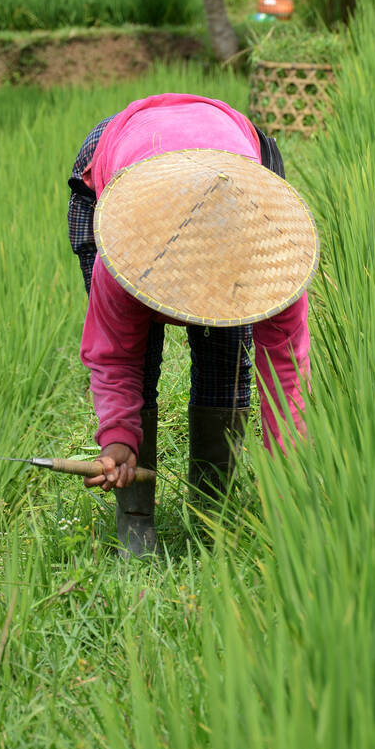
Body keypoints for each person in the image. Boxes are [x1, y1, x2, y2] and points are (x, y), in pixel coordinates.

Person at [67, 93, 319, 556]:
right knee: (139, 353)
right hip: (120, 153)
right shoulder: (122, 248)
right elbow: (114, 354)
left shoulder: (273, 255)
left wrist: (289, 489)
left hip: (227, 148)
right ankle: (135, 519)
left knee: (227, 353)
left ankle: (211, 507)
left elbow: (285, 377)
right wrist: (118, 438)